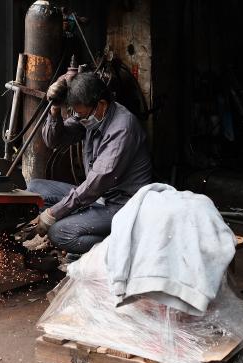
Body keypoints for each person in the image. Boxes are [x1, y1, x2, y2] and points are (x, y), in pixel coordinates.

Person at [27, 72, 152, 256]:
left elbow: (95, 185)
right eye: (77, 115)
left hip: (121, 206)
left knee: (59, 233)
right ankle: (81, 226)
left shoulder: (122, 128)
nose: (80, 119)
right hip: (97, 197)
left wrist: (52, 214)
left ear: (101, 104)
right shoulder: (90, 118)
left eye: (83, 115)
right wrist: (54, 107)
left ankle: (124, 246)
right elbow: (54, 141)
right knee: (34, 190)